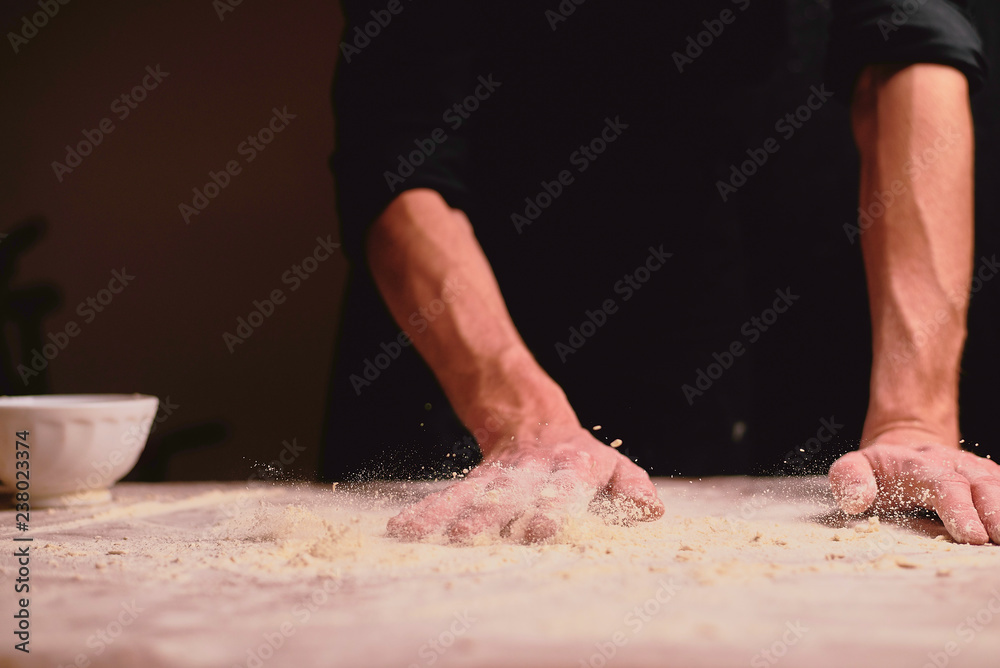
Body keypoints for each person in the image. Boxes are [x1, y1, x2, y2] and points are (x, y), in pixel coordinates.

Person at [325, 0, 999, 544]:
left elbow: (912, 43)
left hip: (777, 306)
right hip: (494, 330)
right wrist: (519, 417)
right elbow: (400, 150)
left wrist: (914, 417)